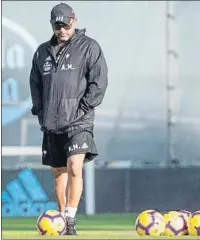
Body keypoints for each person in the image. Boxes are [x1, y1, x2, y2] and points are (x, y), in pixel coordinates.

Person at [29, 2, 108, 235]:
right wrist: (40, 111)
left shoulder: (89, 47)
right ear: (52, 26)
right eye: (57, 26)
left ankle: (70, 217)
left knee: (75, 165)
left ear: (74, 21)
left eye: (65, 25)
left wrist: (83, 108)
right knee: (59, 172)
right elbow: (35, 83)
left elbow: (99, 82)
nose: (62, 30)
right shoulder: (42, 51)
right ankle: (61, 219)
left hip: (79, 121)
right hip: (52, 122)